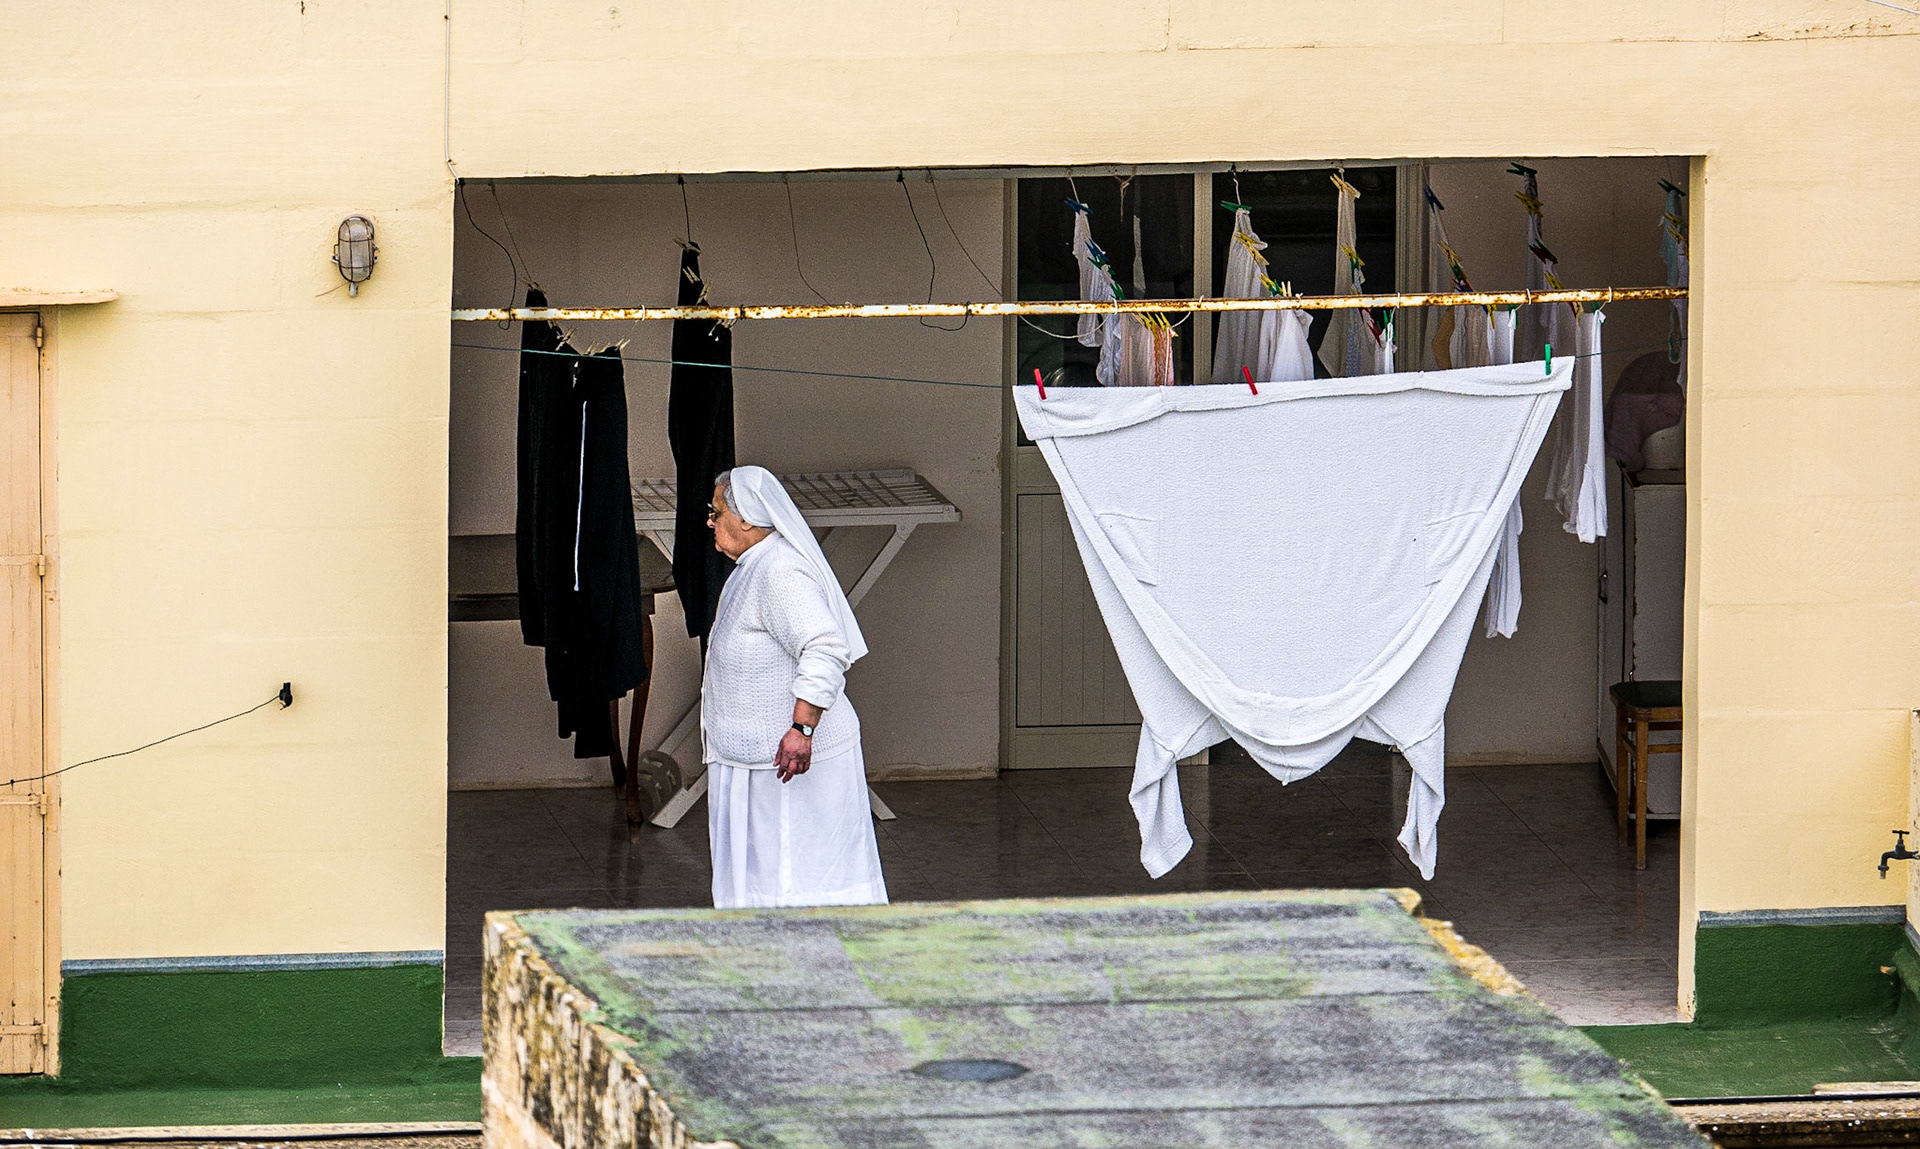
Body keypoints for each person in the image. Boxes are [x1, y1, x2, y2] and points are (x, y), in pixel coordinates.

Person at [700, 466, 888, 908]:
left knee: (796, 872)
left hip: (789, 759)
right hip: (758, 758)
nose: (710, 520)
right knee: (767, 873)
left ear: (745, 518)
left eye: (716, 511)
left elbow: (824, 648)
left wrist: (802, 730)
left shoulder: (780, 572)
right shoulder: (754, 566)